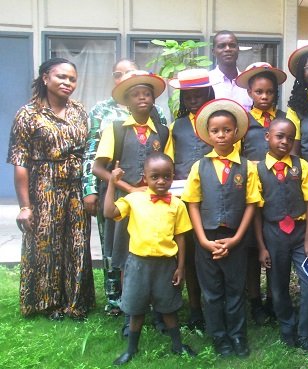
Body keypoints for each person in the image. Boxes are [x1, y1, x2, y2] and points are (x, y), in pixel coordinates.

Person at [8, 57, 95, 320]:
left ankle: (77, 301)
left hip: (76, 185)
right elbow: (20, 162)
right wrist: (25, 206)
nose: (68, 83)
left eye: (72, 79)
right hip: (44, 185)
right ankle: (47, 303)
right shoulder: (28, 114)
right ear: (45, 78)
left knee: (78, 242)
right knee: (46, 245)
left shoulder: (79, 110)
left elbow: (89, 150)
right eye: (61, 77)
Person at [82, 59, 167, 317]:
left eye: (147, 94)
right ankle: (128, 306)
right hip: (124, 201)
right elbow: (98, 168)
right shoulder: (116, 130)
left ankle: (155, 304)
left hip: (153, 205)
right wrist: (129, 188)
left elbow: (167, 167)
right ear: (127, 102)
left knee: (152, 249)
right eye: (135, 95)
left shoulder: (162, 132)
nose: (142, 98)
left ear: (153, 99)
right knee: (124, 252)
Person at [182, 99, 260, 358]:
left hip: (235, 237)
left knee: (236, 289)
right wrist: (202, 240)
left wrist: (237, 238)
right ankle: (220, 338)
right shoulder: (199, 166)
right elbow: (192, 204)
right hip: (207, 238)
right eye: (215, 131)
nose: (221, 135)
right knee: (212, 291)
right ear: (208, 134)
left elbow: (251, 204)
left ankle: (238, 336)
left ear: (236, 132)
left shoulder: (247, 167)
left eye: (227, 130)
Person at [104, 153, 196, 365]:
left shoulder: (177, 205)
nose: (161, 181)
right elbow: (109, 212)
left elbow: (181, 237)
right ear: (145, 177)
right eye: (155, 177)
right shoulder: (134, 199)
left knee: (169, 307)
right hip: (138, 265)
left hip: (166, 265)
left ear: (173, 177)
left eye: (167, 176)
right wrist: (112, 183)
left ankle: (177, 345)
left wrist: (180, 266)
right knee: (136, 309)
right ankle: (131, 349)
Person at [254, 118, 308, 352]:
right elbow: (256, 211)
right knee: (277, 284)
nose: (284, 141)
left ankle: (305, 332)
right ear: (267, 137)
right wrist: (262, 246)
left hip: (301, 232)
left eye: (290, 138)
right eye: (279, 136)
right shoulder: (258, 169)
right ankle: (286, 326)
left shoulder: (301, 165)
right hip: (273, 234)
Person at [164, 68, 217, 331]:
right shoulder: (176, 127)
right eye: (188, 95)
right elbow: (169, 164)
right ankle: (194, 306)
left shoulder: (218, 122)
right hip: (184, 199)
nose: (193, 99)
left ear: (208, 93)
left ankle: (217, 305)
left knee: (212, 252)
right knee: (192, 253)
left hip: (214, 197)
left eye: (198, 94)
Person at [236, 62, 289, 324]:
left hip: (277, 189)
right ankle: (255, 300)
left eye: (269, 92)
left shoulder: (285, 119)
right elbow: (236, 156)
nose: (265, 97)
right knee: (251, 248)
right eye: (259, 92)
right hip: (251, 190)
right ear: (250, 93)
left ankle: (274, 299)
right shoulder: (243, 120)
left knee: (273, 244)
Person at [209, 30, 253, 111]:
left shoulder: (248, 83)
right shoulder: (207, 82)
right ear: (213, 52)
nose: (227, 49)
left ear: (238, 49)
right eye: (221, 46)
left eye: (232, 45)